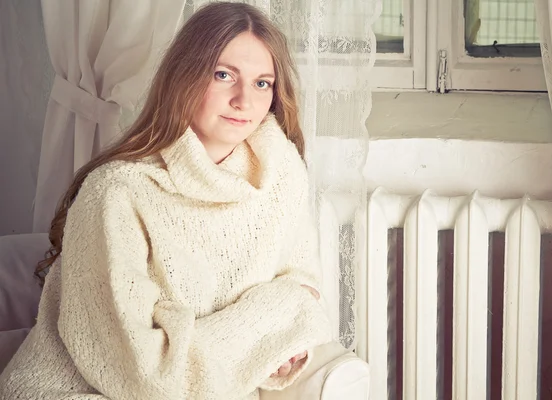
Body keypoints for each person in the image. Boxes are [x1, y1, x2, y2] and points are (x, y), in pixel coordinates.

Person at [0, 2, 332, 399]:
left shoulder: (282, 174)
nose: (245, 100)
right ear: (183, 78)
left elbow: (302, 286)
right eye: (223, 75)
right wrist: (270, 325)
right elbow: (141, 373)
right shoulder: (116, 192)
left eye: (262, 83)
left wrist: (280, 335)